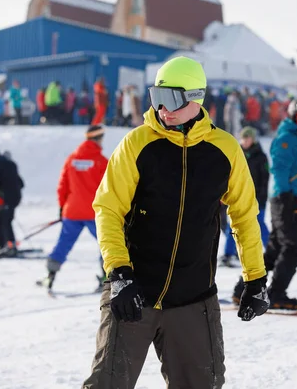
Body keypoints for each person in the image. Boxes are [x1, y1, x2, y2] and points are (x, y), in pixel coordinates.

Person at [82, 56, 268, 389]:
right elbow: (108, 208)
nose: (162, 109)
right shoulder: (138, 143)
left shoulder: (224, 149)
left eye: (172, 100)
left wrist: (255, 278)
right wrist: (119, 272)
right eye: (156, 98)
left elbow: (244, 214)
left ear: (196, 97)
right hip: (134, 293)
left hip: (193, 300)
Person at [233, 98, 297, 310]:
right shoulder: (287, 138)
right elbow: (279, 170)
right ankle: (276, 294)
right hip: (285, 201)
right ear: (293, 116)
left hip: (292, 199)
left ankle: (242, 288)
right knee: (294, 249)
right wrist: (289, 199)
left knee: (274, 251)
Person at [39, 125, 108, 291]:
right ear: (98, 139)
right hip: (94, 211)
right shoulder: (101, 161)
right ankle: (107, 278)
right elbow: (108, 188)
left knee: (63, 243)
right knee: (106, 243)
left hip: (73, 210)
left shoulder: (71, 159)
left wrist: (62, 207)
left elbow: (62, 186)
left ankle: (50, 275)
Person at [222, 126, 270, 267]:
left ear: (253, 139)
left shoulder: (260, 156)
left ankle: (272, 249)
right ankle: (228, 254)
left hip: (257, 198)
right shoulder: (237, 153)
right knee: (233, 225)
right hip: (238, 196)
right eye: (243, 138)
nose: (244, 141)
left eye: (247, 138)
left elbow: (264, 179)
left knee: (258, 224)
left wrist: (260, 198)